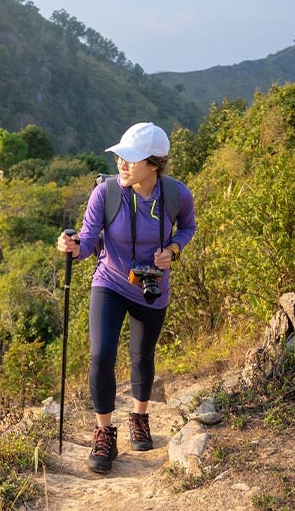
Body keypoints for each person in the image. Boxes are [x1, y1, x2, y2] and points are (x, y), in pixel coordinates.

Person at [57, 122, 196, 474]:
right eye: (120, 155)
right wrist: (72, 248)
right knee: (101, 355)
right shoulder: (105, 193)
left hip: (152, 286)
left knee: (142, 356)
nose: (122, 163)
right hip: (111, 281)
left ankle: (140, 416)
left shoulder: (177, 195)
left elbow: (188, 226)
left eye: (131, 159)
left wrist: (174, 250)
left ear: (153, 164)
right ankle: (104, 433)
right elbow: (88, 242)